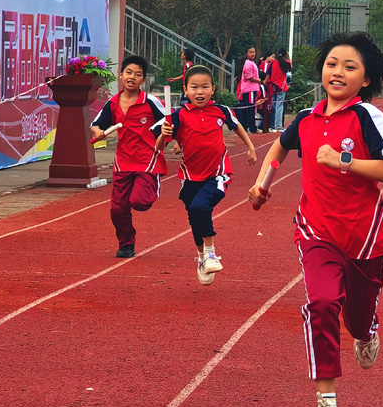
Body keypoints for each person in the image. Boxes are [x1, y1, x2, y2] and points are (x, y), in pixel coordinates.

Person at [248, 31, 383, 407]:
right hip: (315, 230)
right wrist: (264, 184)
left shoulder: (370, 118)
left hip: (364, 236)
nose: (338, 72)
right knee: (321, 303)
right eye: (332, 64)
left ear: (365, 79)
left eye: (350, 67)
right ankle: (326, 406)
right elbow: (278, 149)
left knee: (358, 318)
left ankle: (367, 332)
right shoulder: (305, 119)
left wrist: (342, 160)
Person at [156, 66, 258, 285]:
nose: (199, 92)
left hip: (217, 173)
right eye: (194, 87)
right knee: (195, 218)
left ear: (213, 89)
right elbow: (160, 145)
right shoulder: (178, 115)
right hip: (190, 176)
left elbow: (237, 126)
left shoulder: (221, 111)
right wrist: (164, 137)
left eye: (204, 87)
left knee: (200, 207)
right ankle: (202, 256)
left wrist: (250, 147)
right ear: (185, 90)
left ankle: (211, 253)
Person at [90, 55, 168, 258]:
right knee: (117, 209)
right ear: (121, 75)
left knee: (140, 201)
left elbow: (170, 120)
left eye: (138, 74)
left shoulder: (151, 102)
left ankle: (152, 187)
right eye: (129, 73)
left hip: (147, 160)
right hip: (123, 161)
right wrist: (98, 132)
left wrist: (167, 133)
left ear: (143, 80)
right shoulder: (113, 103)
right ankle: (126, 243)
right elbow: (96, 124)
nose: (132, 77)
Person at [235, 47, 263, 133]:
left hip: (251, 89)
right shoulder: (248, 64)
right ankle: (252, 128)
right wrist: (259, 80)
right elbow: (249, 77)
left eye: (254, 52)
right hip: (249, 89)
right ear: (246, 54)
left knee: (249, 108)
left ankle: (246, 126)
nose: (252, 54)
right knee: (250, 108)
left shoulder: (251, 63)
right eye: (250, 52)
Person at [269, 51, 292, 132]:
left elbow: (269, 74)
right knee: (279, 106)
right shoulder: (285, 63)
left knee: (273, 105)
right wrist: (288, 56)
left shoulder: (272, 63)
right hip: (281, 86)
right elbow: (290, 67)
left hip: (273, 85)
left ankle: (272, 125)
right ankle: (278, 126)